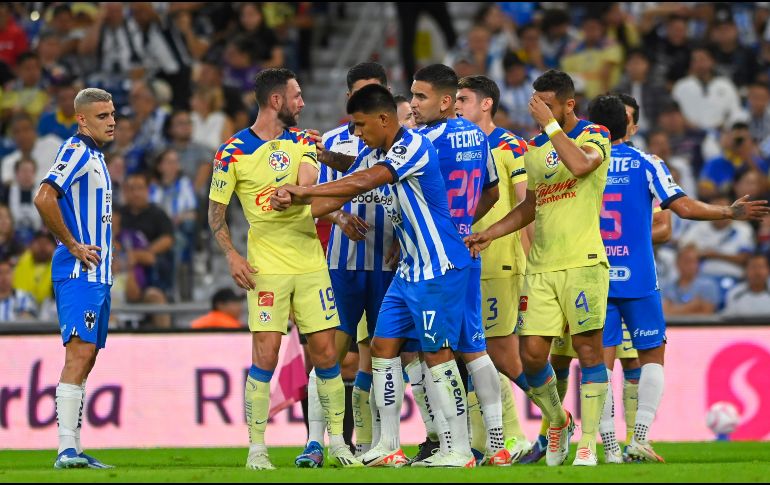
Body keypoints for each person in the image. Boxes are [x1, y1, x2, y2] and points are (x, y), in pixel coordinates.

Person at [557, 93, 769, 464]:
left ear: (594, 126)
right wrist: (727, 211)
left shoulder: (581, 164)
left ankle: (607, 447)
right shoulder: (646, 162)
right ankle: (638, 438)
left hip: (595, 277)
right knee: (651, 355)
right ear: (629, 125)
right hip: (639, 278)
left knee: (597, 363)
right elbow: (682, 208)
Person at [271, 83, 475, 468]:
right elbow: (341, 196)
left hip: (437, 266)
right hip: (408, 269)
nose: (357, 133)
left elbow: (364, 181)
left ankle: (458, 447)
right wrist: (289, 206)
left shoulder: (411, 146)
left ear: (384, 119)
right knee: (383, 350)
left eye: (361, 125)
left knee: (437, 354)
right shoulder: (374, 151)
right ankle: (388, 445)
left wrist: (302, 192)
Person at [207, 68, 361, 470]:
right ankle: (257, 448)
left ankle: (338, 445)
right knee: (266, 354)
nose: (302, 103)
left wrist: (296, 190)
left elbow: (310, 178)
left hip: (310, 261)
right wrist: (231, 255)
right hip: (266, 267)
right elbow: (216, 214)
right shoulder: (231, 151)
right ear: (276, 101)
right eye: (296, 96)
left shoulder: (304, 141)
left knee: (328, 355)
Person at [465, 70, 613, 467]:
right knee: (531, 356)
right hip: (541, 266)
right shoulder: (533, 148)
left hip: (583, 262)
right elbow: (532, 204)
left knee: (588, 350)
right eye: (537, 105)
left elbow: (581, 167)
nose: (539, 112)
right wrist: (491, 232)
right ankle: (557, 421)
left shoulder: (595, 135)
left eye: (548, 105)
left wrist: (549, 124)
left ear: (569, 104)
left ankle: (588, 442)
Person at [297, 62, 394, 467]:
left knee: (385, 356)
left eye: (373, 91)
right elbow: (315, 199)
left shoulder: (399, 140)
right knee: (328, 353)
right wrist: (338, 217)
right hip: (342, 265)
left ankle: (377, 443)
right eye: (359, 92)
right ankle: (315, 442)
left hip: (389, 264)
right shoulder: (334, 141)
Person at [33, 87, 116, 469]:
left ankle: (75, 448)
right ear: (81, 119)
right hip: (80, 271)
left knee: (87, 358)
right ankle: (66, 449)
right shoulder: (77, 150)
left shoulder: (95, 155)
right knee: (78, 354)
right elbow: (44, 197)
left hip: (99, 275)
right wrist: (73, 244)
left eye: (113, 114)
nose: (112, 121)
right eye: (102, 116)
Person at [454, 74, 534, 463]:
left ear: (486, 104)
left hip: (500, 260)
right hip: (462, 263)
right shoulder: (457, 143)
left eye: (464, 99)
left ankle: (543, 424)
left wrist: (532, 259)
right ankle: (483, 441)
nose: (456, 105)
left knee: (501, 354)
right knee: (470, 353)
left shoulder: (509, 144)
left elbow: (526, 204)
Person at [661, 245, 722, 316]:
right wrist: (690, 307)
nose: (692, 265)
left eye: (695, 262)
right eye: (687, 261)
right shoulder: (669, 286)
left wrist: (674, 309)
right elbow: (665, 313)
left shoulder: (708, 285)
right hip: (673, 327)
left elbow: (706, 314)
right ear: (677, 263)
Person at [0, 257, 38, 321]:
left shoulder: (25, 297)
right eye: (0, 273)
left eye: (7, 272)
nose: (4, 277)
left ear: (13, 274)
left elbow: (29, 323)